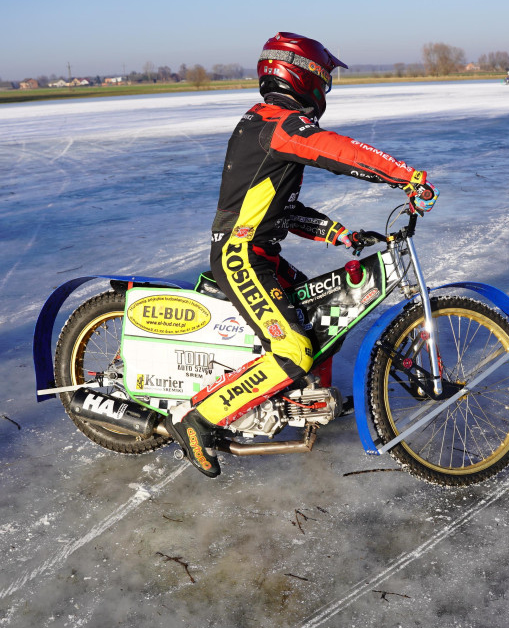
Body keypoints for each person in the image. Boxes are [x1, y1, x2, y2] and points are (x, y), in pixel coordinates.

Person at [164, 32, 438, 477]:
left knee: (320, 320)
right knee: (292, 347)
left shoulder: (267, 123)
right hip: (241, 257)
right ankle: (200, 418)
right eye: (325, 80)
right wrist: (405, 176)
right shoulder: (280, 125)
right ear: (303, 76)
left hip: (260, 254)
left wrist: (340, 235)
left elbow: (283, 211)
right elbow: (337, 151)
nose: (326, 89)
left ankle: (310, 406)